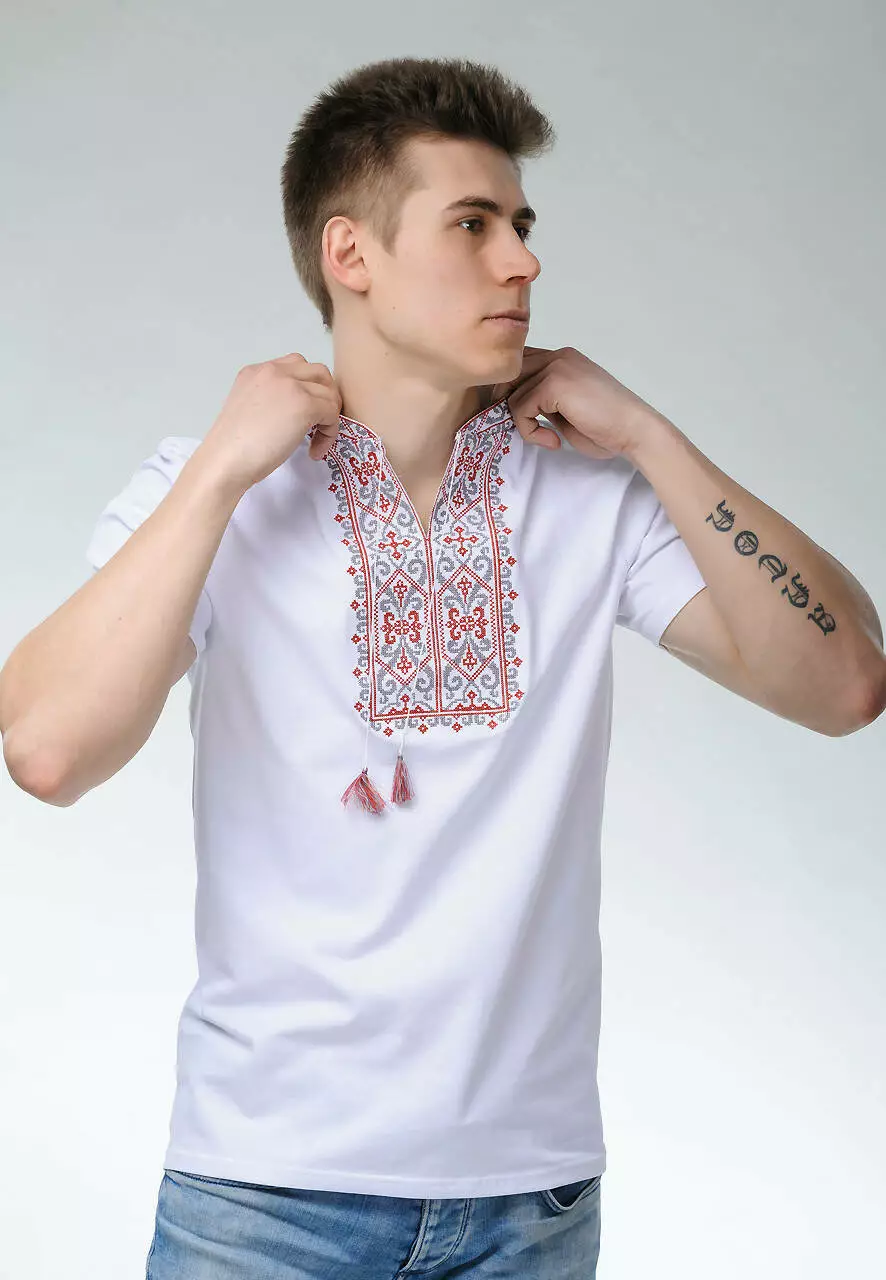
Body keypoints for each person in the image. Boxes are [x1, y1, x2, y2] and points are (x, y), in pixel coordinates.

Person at [1, 57, 712, 1278]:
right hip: (264, 1199)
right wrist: (220, 471)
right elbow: (46, 749)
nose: (522, 261)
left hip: (529, 1202)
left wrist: (649, 434)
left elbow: (846, 682)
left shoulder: (590, 495)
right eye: (473, 224)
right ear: (351, 254)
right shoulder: (210, 488)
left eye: (521, 224)